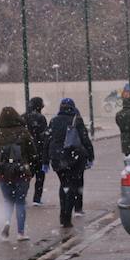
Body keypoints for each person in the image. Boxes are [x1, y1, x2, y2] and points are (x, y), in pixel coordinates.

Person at [43, 98, 94, 229]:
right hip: (73, 157)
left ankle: (62, 215)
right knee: (72, 187)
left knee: (64, 185)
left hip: (57, 158)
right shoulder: (77, 120)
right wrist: (91, 156)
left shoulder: (54, 121)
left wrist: (45, 160)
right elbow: (85, 139)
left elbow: (46, 141)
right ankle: (66, 217)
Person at [0, 106, 37, 241]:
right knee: (20, 202)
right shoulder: (23, 132)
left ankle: (7, 222)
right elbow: (33, 153)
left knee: (8, 201)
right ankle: (21, 233)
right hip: (21, 171)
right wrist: (31, 167)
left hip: (4, 171)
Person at [23, 97, 48, 206]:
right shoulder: (41, 118)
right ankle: (37, 199)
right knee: (40, 177)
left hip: (27, 152)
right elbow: (45, 136)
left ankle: (22, 196)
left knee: (27, 176)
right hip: (39, 151)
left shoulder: (23, 117)